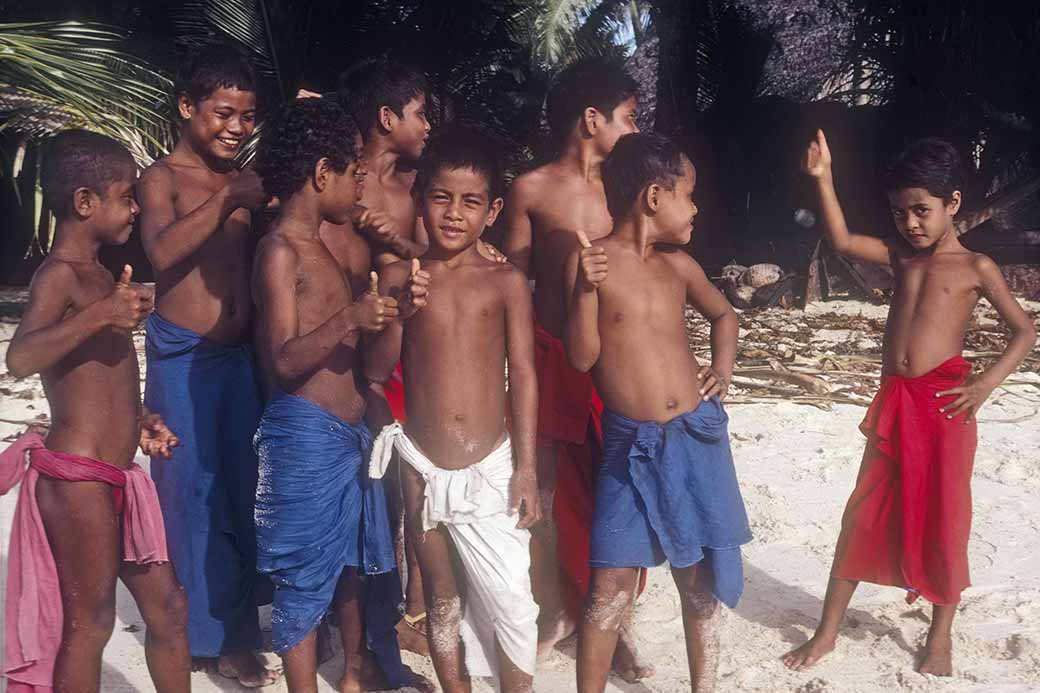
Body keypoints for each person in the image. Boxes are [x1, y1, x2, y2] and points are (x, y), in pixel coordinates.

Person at [782, 131, 1036, 676]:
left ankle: (940, 635)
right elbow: (846, 241)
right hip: (895, 405)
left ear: (953, 205)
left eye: (921, 211)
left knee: (946, 520)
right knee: (861, 514)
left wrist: (985, 384)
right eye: (900, 213)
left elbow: (1024, 331)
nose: (910, 224)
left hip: (945, 410)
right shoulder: (902, 259)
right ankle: (827, 632)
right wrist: (823, 178)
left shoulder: (977, 268)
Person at [2, 130, 189, 693]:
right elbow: (21, 357)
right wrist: (98, 314)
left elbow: (94, 382)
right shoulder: (59, 274)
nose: (135, 207)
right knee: (90, 623)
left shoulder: (104, 276)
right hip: (76, 479)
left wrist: (138, 423)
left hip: (119, 476)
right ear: (85, 203)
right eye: (126, 195)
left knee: (169, 611)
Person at [565, 132, 751, 693]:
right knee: (607, 588)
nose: (694, 208)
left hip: (696, 438)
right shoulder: (596, 263)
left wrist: (723, 368)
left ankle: (705, 687)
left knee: (698, 582)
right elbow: (582, 357)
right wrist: (583, 289)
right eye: (688, 195)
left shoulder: (680, 267)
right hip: (630, 448)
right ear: (653, 196)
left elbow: (725, 317)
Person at [251, 97, 420, 693]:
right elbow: (282, 358)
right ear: (322, 175)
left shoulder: (326, 249)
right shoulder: (280, 251)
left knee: (349, 560)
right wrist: (351, 315)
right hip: (303, 436)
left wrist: (390, 317)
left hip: (347, 437)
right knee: (301, 577)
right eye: (353, 170)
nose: (360, 184)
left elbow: (366, 364)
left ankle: (352, 671)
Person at [367, 127, 541, 693]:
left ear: (492, 211)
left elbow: (526, 375)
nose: (453, 214)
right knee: (441, 601)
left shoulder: (506, 282)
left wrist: (527, 469)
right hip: (421, 463)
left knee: (513, 599)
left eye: (470, 202)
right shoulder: (401, 279)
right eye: (441, 198)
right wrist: (397, 312)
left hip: (493, 464)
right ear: (421, 201)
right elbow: (374, 373)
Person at [503, 57, 651, 678]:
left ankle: (610, 618)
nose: (636, 131)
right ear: (592, 119)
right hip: (551, 356)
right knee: (551, 490)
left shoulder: (625, 190)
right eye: (630, 119)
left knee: (618, 487)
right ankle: (557, 608)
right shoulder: (531, 189)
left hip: (616, 361)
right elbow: (510, 281)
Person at [136, 44, 278, 686]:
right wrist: (228, 201)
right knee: (186, 494)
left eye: (248, 116)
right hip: (182, 357)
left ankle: (238, 631)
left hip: (240, 360)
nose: (237, 128)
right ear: (188, 107)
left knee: (242, 488)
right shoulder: (161, 178)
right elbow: (163, 252)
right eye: (224, 113)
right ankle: (192, 632)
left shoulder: (246, 183)